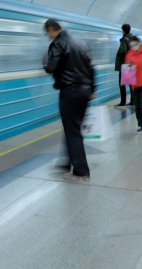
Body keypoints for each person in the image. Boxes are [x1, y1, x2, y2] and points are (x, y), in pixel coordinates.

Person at [43, 19, 95, 182]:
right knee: (72, 128)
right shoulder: (80, 43)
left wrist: (45, 62)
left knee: (72, 131)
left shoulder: (58, 43)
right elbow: (91, 68)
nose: (49, 37)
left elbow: (51, 67)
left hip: (71, 91)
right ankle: (66, 163)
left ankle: (81, 171)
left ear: (51, 29)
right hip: (85, 91)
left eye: (48, 33)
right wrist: (93, 89)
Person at [115, 24, 134, 106]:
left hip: (124, 64)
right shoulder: (132, 38)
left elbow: (123, 51)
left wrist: (119, 53)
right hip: (131, 63)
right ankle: (133, 100)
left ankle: (123, 102)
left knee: (122, 84)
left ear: (123, 31)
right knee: (130, 83)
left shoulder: (124, 39)